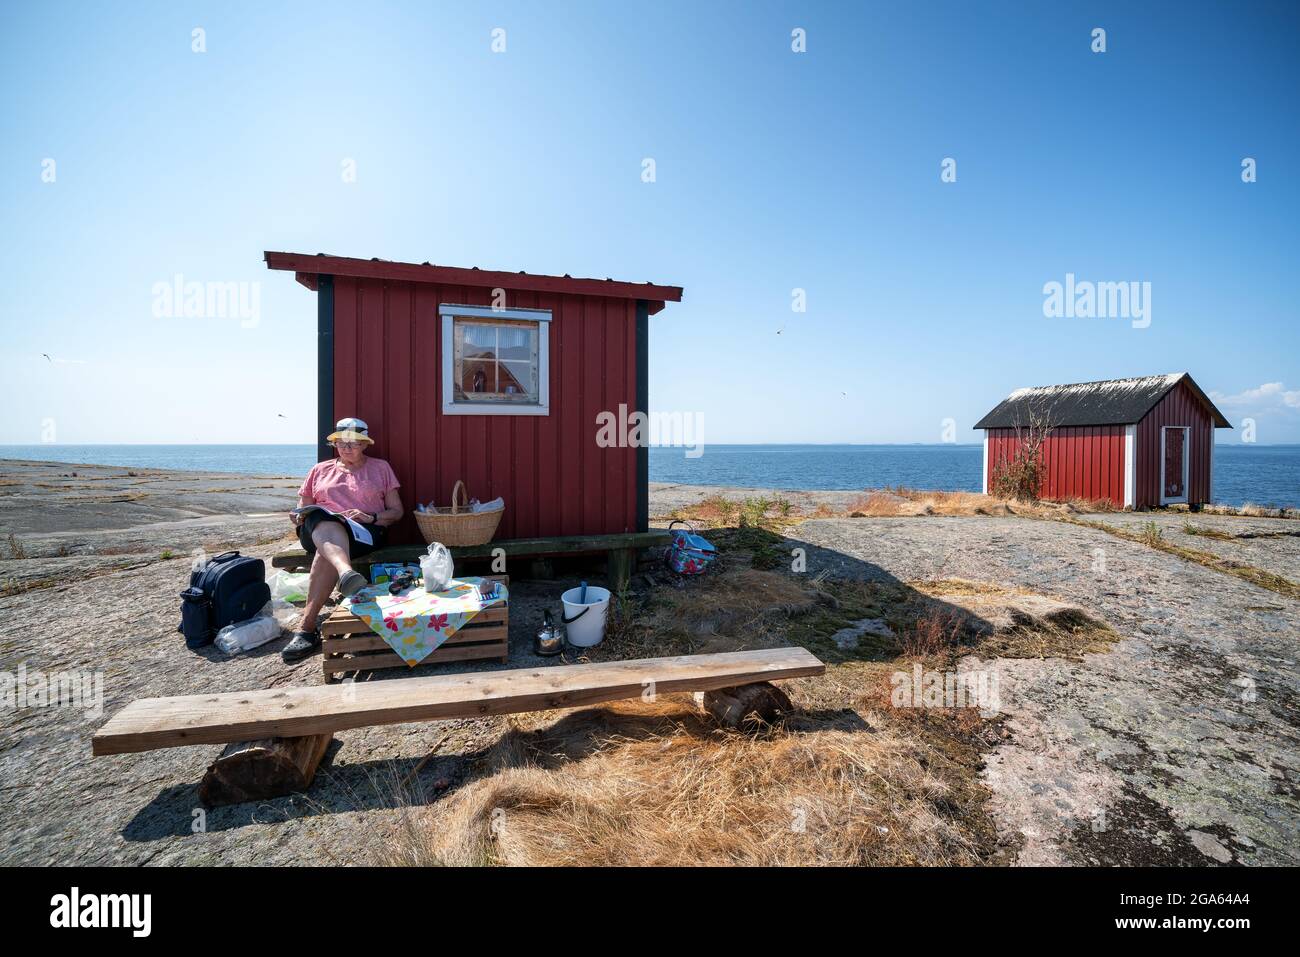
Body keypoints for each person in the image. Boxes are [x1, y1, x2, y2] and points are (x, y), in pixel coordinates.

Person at [282, 417, 404, 663]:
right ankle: (346, 573)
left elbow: (397, 512)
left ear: (364, 445)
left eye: (353, 443)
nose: (347, 447)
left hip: (363, 533)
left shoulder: (380, 468)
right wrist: (297, 515)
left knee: (325, 551)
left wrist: (370, 516)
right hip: (317, 529)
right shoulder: (319, 470)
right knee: (324, 520)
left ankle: (307, 629)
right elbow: (303, 507)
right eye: (341, 443)